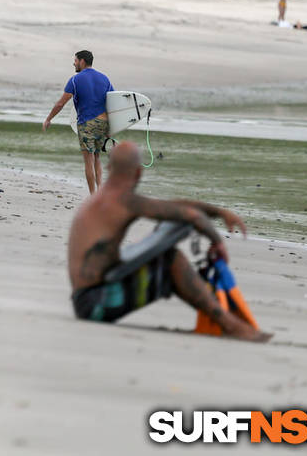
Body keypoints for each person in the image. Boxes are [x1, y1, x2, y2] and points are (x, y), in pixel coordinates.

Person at [67, 141, 272, 342]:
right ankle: (230, 325)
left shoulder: (104, 199)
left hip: (86, 301)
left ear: (109, 168)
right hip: (96, 306)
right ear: (138, 172)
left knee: (165, 258)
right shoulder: (124, 201)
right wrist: (217, 242)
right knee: (171, 260)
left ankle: (225, 320)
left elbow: (169, 206)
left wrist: (218, 212)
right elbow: (191, 215)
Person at [43, 50, 114, 193]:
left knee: (88, 160)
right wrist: (110, 129)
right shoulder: (104, 78)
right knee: (97, 157)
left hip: (86, 123)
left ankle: (93, 197)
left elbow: (60, 104)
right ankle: (100, 192)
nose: (73, 63)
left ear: (82, 61)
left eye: (75, 61)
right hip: (103, 122)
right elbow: (113, 102)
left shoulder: (75, 80)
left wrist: (49, 118)